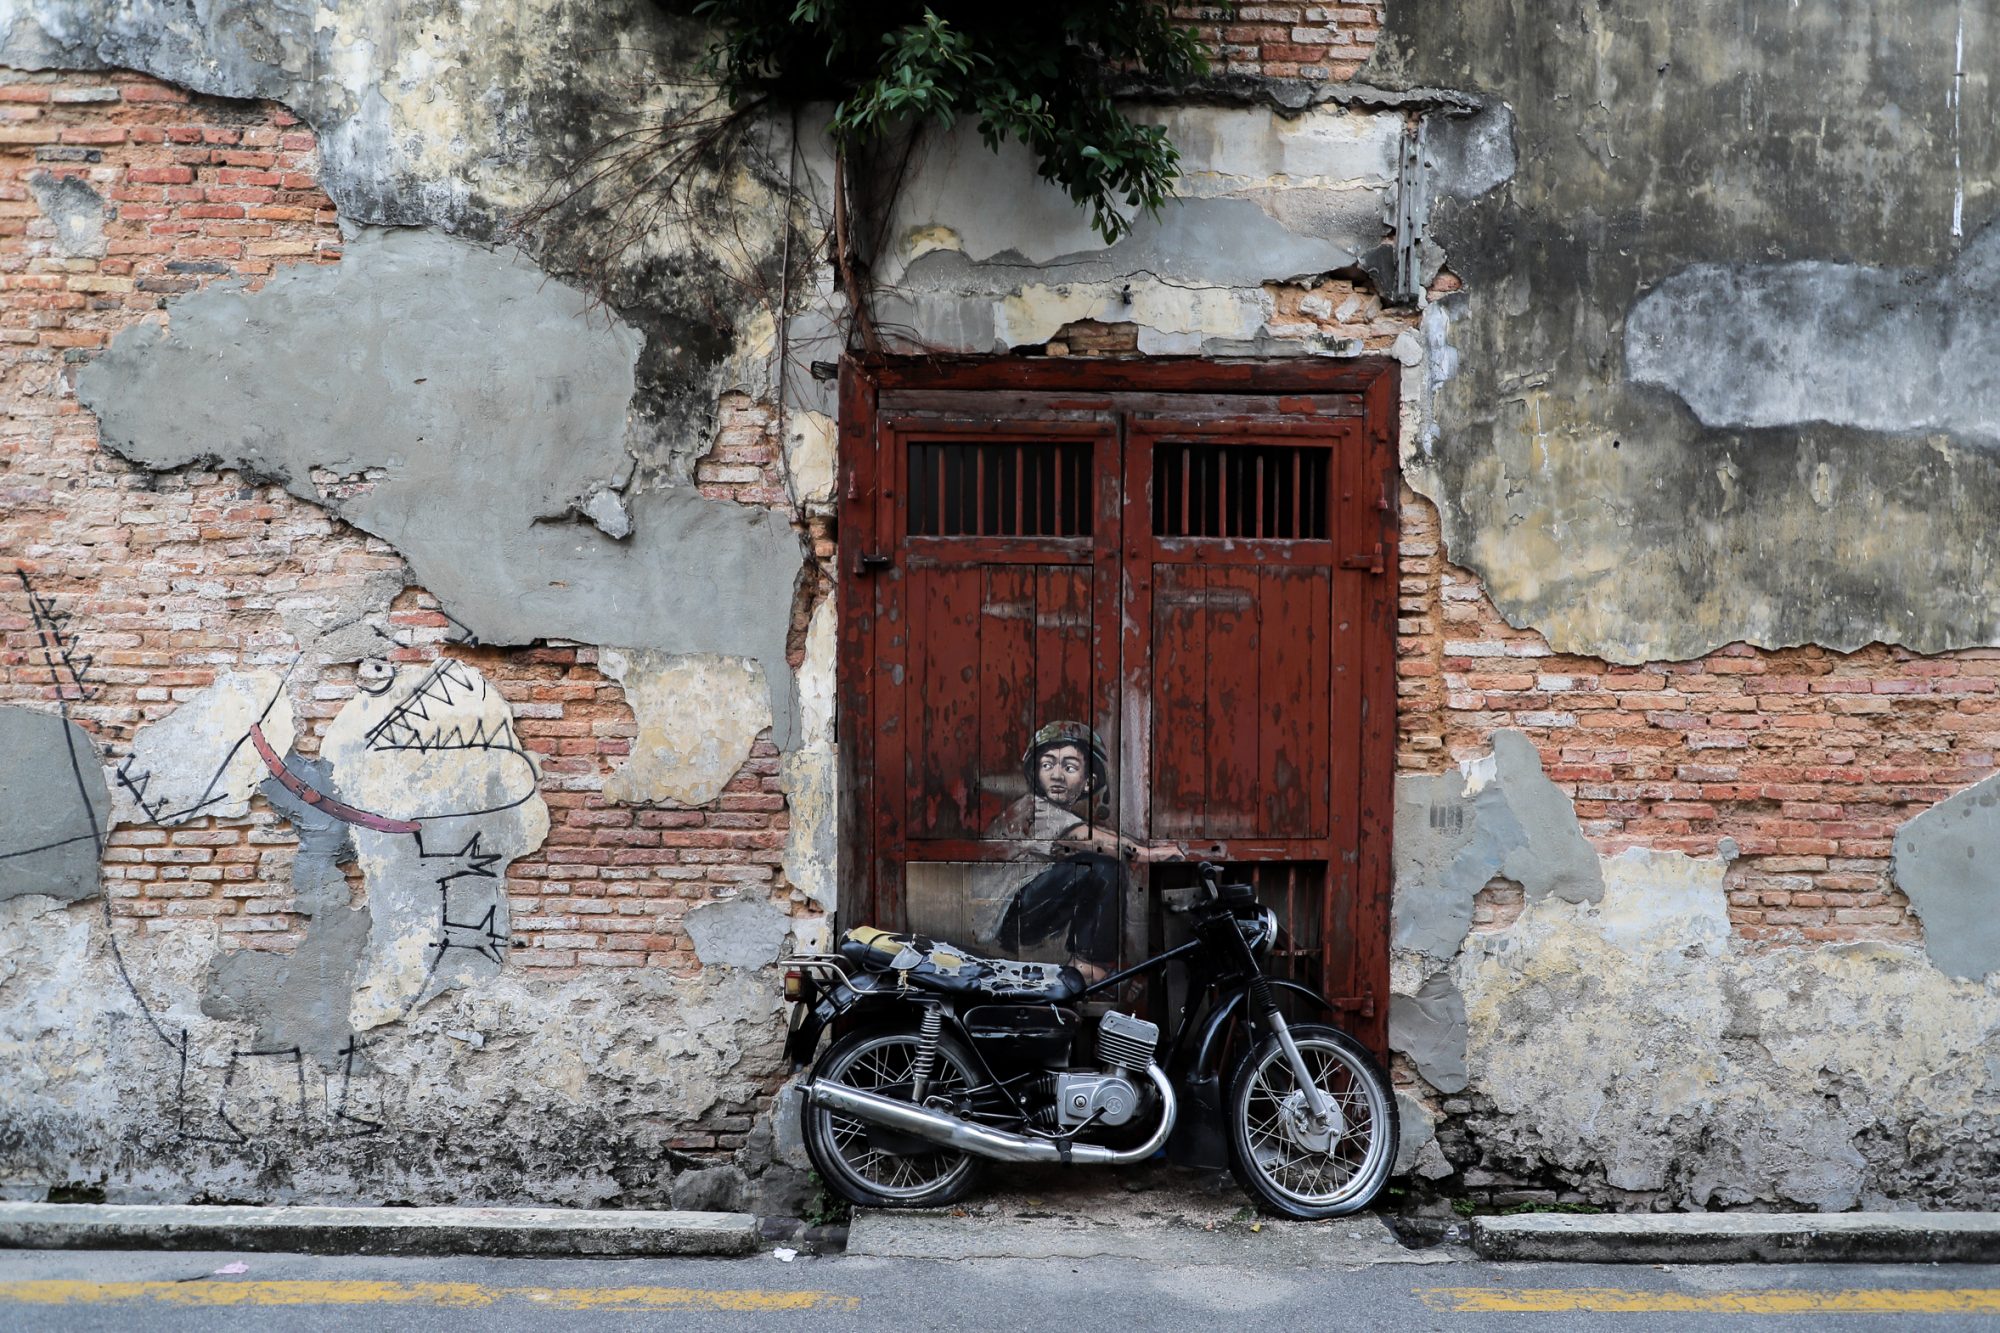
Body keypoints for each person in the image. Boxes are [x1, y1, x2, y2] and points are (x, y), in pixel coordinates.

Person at [988, 720, 1180, 982]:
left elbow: (1094, 834)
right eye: (1047, 765)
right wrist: (1148, 854)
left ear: (1088, 783)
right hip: (1005, 920)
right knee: (1100, 867)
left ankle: (1086, 964)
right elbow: (1091, 839)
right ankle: (1088, 968)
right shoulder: (1032, 808)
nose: (1056, 775)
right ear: (1036, 774)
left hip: (1022, 914)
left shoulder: (1056, 816)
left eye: (1069, 767)